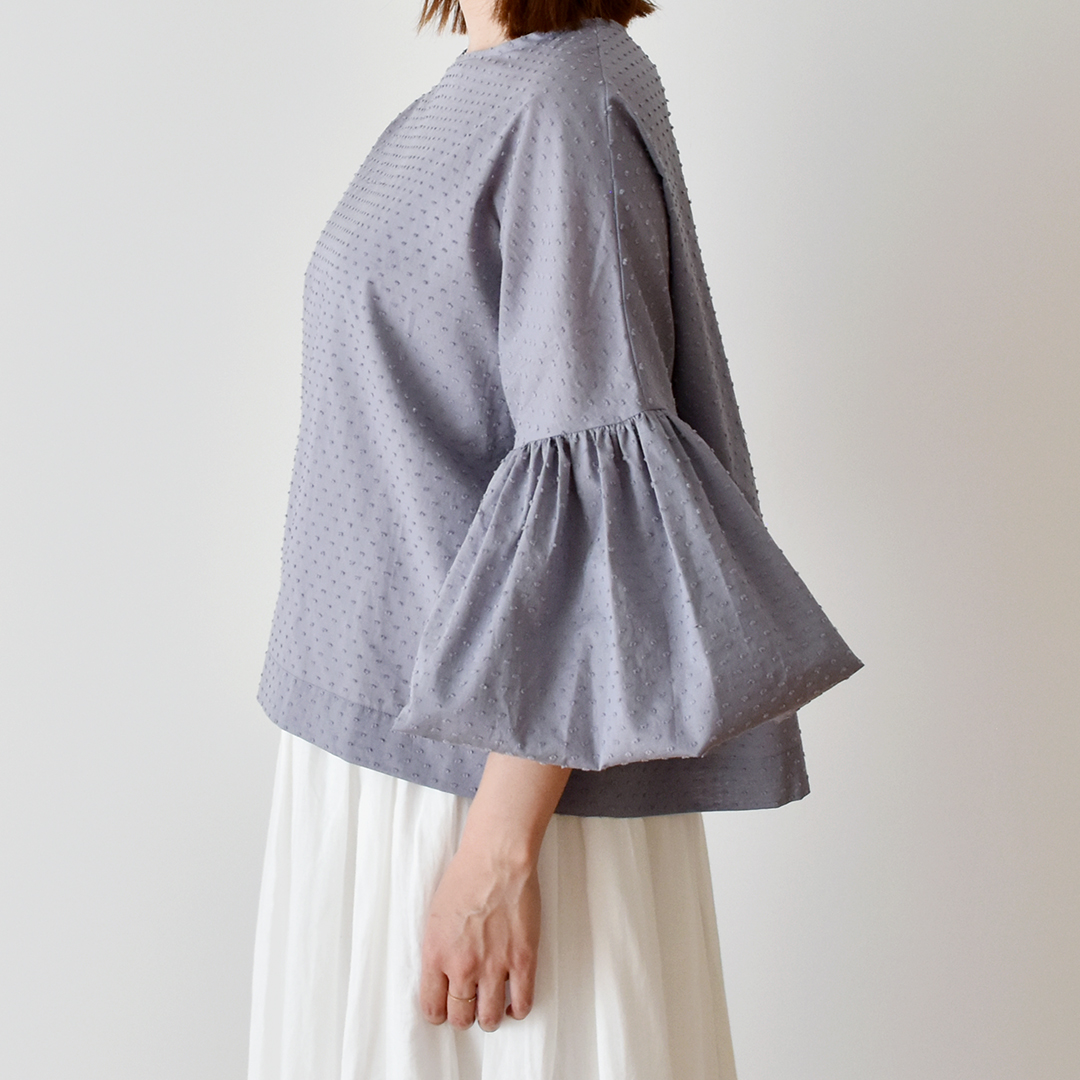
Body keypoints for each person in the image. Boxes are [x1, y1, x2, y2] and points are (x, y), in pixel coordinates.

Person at [248, 2, 862, 1078]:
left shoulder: (569, 96)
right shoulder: (483, 88)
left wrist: (495, 855)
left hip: (486, 786)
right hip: (376, 752)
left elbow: (600, 505)